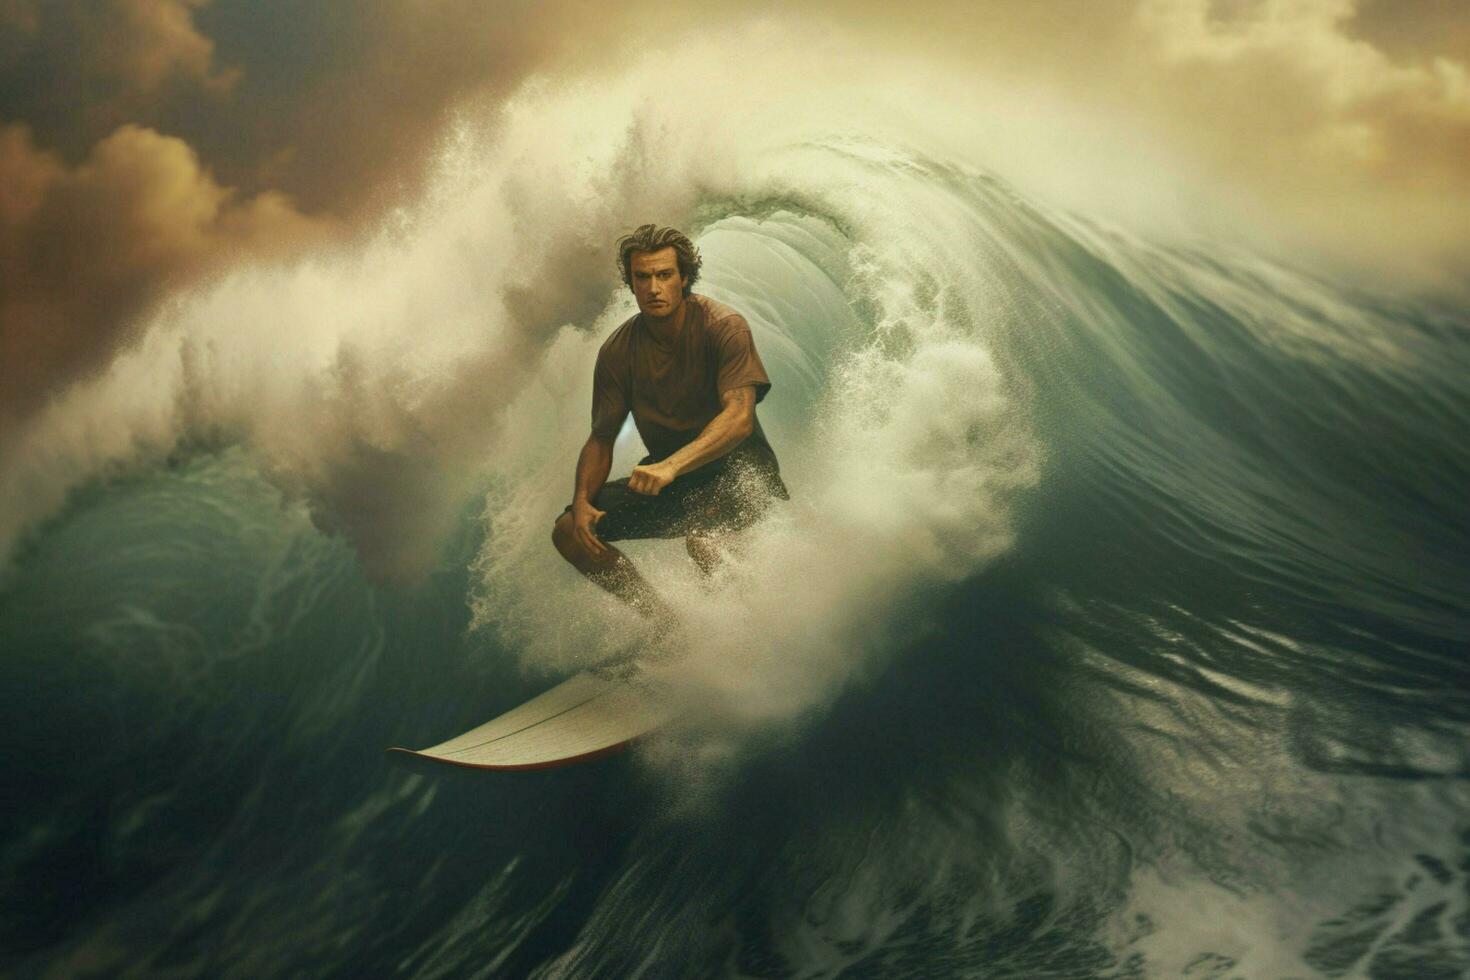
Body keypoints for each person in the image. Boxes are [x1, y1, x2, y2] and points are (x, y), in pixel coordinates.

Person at [551, 224, 789, 625]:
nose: (653, 287)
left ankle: (747, 636)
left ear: (684, 279)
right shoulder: (618, 352)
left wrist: (670, 465)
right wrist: (581, 502)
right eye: (642, 277)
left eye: (664, 275)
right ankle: (665, 622)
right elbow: (602, 437)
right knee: (569, 533)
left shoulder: (722, 327)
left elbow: (739, 418)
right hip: (677, 480)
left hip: (742, 471)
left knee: (705, 544)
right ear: (631, 283)